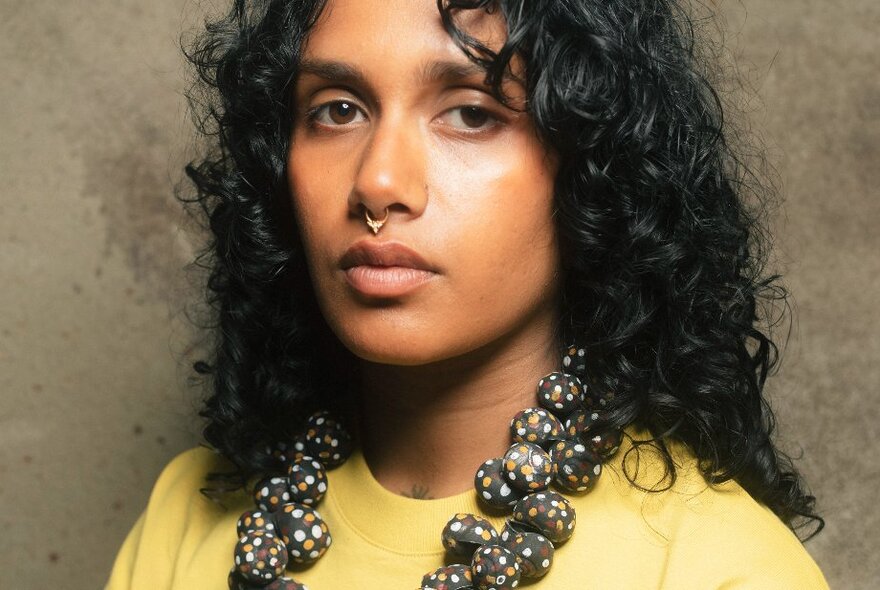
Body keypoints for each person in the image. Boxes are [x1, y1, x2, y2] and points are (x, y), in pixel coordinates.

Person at [107, 0, 829, 588]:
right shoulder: (189, 514)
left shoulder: (716, 568)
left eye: (472, 113)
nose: (379, 182)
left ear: (595, 167)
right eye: (336, 110)